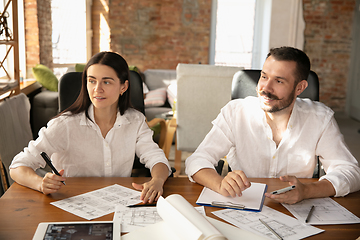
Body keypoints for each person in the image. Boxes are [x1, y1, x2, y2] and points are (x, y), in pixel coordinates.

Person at [185, 46, 360, 204]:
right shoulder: (235, 112)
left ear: (300, 88)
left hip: (298, 210)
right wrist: (220, 183)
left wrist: (307, 190)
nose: (265, 88)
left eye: (279, 81)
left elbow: (350, 172)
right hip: (244, 204)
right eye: (264, 76)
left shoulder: (320, 118)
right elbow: (197, 160)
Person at [10, 51, 172, 203]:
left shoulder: (135, 120)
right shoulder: (64, 124)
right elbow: (18, 166)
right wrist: (40, 184)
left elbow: (157, 158)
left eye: (106, 82)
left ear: (123, 87)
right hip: (71, 203)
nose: (97, 89)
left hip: (117, 203)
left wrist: (157, 181)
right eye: (92, 81)